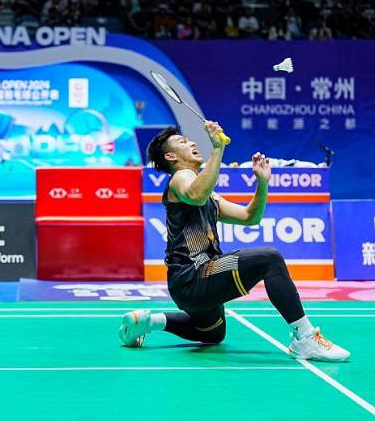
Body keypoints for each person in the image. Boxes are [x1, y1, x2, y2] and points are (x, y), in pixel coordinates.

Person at [119, 122, 350, 362]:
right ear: (170, 156)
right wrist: (217, 149)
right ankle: (305, 338)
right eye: (183, 142)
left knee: (213, 334)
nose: (192, 143)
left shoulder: (207, 193)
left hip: (190, 285)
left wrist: (262, 183)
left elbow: (251, 217)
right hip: (193, 275)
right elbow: (196, 196)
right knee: (269, 259)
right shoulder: (181, 177)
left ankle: (149, 321)